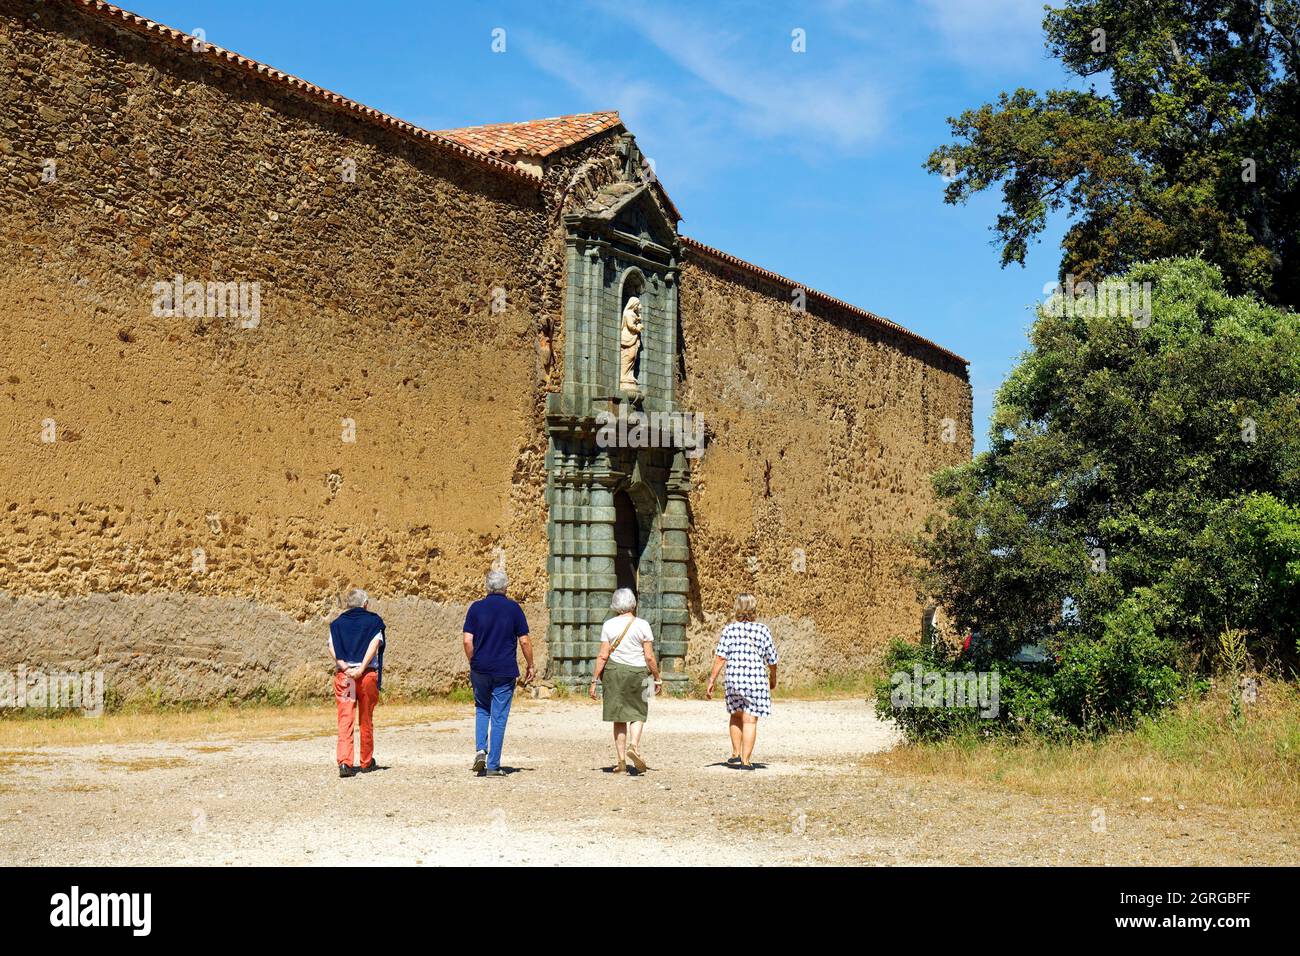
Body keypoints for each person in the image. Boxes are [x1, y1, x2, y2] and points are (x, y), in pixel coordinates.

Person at [463, 569, 533, 777]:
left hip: (480, 668)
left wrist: (473, 661)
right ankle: (493, 765)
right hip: (504, 669)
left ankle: (480, 750)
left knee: (482, 709)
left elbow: (467, 640)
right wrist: (530, 664)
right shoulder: (513, 609)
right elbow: (525, 640)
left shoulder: (475, 608)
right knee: (499, 716)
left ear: (487, 587)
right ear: (505, 587)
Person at [589, 587, 661, 773]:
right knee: (638, 712)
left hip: (614, 672)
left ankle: (621, 761)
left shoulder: (609, 625)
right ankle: (634, 746)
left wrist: (594, 680)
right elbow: (650, 657)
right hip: (638, 672)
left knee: (618, 717)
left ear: (615, 604)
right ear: (633, 604)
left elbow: (603, 656)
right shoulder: (643, 624)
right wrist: (657, 678)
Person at [706, 594, 778, 770]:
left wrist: (711, 680)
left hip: (734, 679)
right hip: (756, 680)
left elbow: (721, 657)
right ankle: (746, 761)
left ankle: (735, 754)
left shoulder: (730, 630)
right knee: (750, 719)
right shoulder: (763, 630)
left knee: (736, 715)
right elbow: (772, 659)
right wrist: (773, 677)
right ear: (754, 609)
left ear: (736, 609)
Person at [329, 588, 386, 778]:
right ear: (365, 604)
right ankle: (366, 761)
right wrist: (361, 668)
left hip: (345, 678)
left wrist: (345, 668)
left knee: (345, 718)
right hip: (366, 675)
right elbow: (375, 644)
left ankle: (345, 762)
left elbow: (331, 646)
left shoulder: (336, 624)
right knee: (366, 718)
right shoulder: (374, 621)